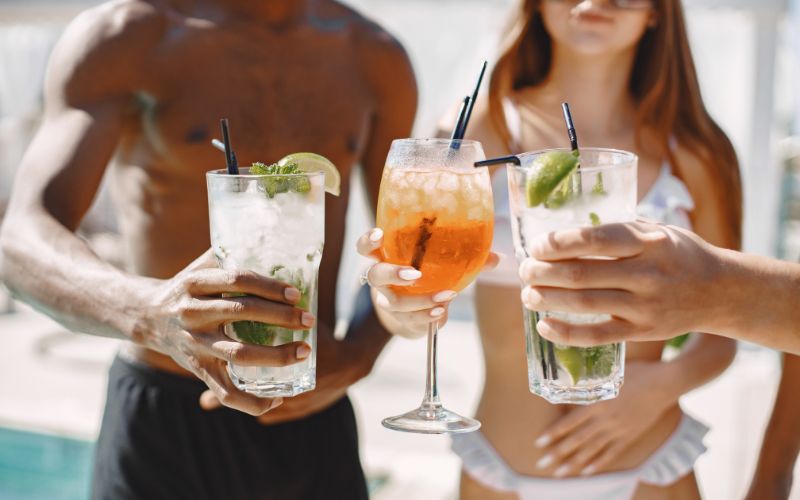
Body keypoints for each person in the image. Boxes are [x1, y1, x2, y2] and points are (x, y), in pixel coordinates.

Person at [0, 0, 417, 498]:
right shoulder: (127, 34)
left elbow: (405, 246)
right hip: (164, 420)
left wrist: (360, 354)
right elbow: (20, 237)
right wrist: (150, 311)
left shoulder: (373, 54)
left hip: (312, 406)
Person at [360, 0, 743, 498]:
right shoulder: (479, 129)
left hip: (652, 468)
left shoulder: (696, 150)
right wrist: (398, 309)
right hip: (500, 469)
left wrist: (657, 388)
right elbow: (407, 281)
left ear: (657, 11)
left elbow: (727, 327)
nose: (594, 3)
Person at [518, 221, 800, 353]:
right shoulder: (497, 126)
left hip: (651, 446)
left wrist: (657, 387)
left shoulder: (694, 145)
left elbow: (719, 347)